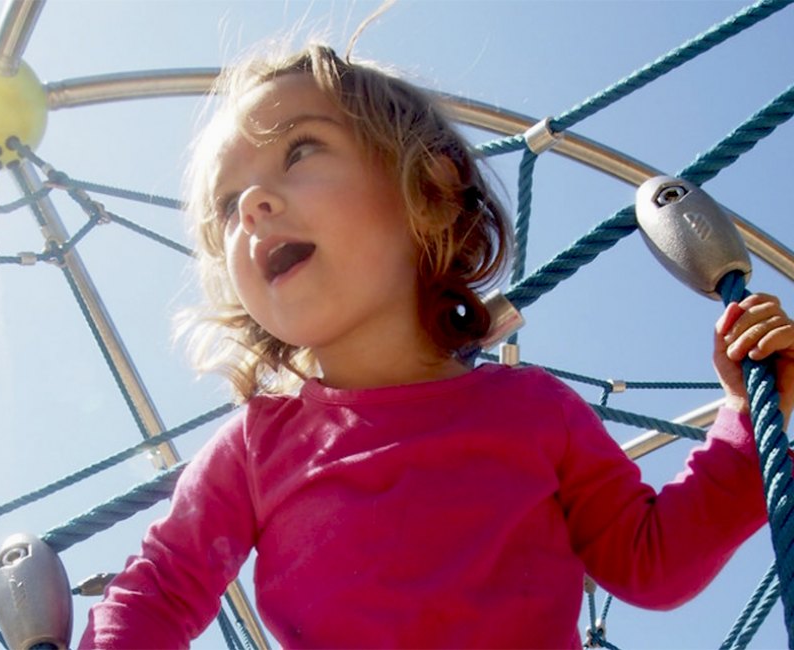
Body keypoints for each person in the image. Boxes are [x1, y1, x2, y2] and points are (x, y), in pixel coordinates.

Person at [79, 43, 794, 649]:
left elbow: (654, 562)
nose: (254, 206)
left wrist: (743, 422)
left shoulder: (532, 409)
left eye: (300, 151)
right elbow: (156, 595)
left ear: (429, 188)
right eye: (229, 207)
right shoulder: (255, 449)